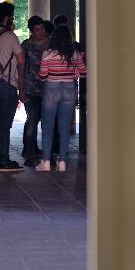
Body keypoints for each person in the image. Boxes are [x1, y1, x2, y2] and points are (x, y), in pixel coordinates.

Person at [36, 25, 86, 172]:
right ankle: (62, 162)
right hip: (69, 90)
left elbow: (43, 75)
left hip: (52, 90)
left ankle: (45, 161)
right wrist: (75, 71)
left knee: (47, 127)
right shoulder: (75, 54)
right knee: (64, 127)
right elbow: (84, 72)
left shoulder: (47, 54)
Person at [0, 1, 26, 172]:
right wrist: (21, 89)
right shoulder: (9, 36)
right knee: (5, 126)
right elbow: (21, 63)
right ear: (8, 17)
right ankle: (4, 161)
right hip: (6, 85)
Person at [21, 15, 48, 166]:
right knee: (32, 120)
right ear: (31, 31)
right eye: (37, 30)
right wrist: (21, 88)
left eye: (42, 29)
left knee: (46, 121)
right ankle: (30, 152)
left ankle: (45, 152)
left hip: (49, 89)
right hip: (31, 88)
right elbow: (21, 67)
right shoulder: (26, 45)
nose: (40, 32)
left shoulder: (51, 44)